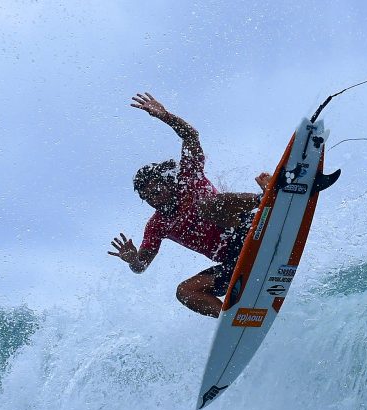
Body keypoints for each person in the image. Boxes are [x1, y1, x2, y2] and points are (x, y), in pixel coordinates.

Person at [109, 92, 270, 318]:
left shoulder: (188, 177)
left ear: (167, 181)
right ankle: (231, 321)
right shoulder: (157, 225)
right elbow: (141, 266)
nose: (154, 199)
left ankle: (265, 199)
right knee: (184, 291)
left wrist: (165, 116)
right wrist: (132, 260)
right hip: (233, 262)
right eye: (148, 198)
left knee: (206, 206)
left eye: (156, 191)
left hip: (249, 230)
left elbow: (191, 136)